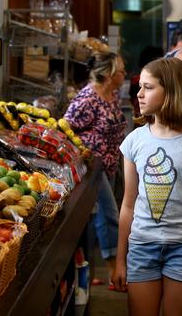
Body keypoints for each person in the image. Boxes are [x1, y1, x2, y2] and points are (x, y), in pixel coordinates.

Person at [113, 57, 182, 315]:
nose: (139, 94)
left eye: (148, 87)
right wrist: (120, 261)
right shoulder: (134, 141)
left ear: (172, 91)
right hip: (141, 246)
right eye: (140, 87)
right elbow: (128, 204)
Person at [64, 52, 127, 289]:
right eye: (120, 70)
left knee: (95, 219)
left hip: (108, 164)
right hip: (92, 168)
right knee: (109, 215)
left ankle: (88, 274)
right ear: (109, 74)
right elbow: (65, 128)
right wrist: (84, 152)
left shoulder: (112, 94)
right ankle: (114, 273)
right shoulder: (88, 98)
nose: (124, 73)